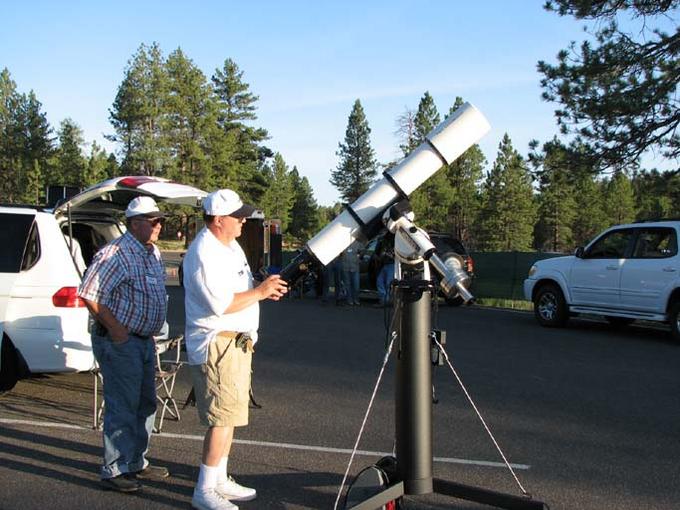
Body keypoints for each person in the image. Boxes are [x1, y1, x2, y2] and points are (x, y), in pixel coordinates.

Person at [183, 189, 287, 510]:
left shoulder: (229, 245)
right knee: (221, 419)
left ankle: (219, 479)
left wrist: (260, 293)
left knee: (231, 416)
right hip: (218, 343)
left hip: (236, 343)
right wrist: (260, 291)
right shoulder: (203, 253)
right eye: (237, 215)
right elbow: (221, 304)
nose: (243, 220)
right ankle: (204, 490)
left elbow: (242, 288)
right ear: (217, 220)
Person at [78, 196, 169, 493]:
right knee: (123, 405)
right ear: (134, 223)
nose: (159, 226)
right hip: (121, 341)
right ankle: (115, 469)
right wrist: (117, 330)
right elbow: (90, 294)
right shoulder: (114, 253)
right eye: (153, 220)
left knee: (145, 403)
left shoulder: (152, 253)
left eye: (160, 221)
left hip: (142, 341)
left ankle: (135, 462)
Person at [375, 233, 395, 307]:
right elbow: (378, 253)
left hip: (392, 264)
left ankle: (389, 301)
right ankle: (384, 300)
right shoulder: (383, 243)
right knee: (379, 281)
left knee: (388, 283)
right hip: (384, 264)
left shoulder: (394, 243)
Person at [341, 241, 361, 305]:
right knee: (348, 285)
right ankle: (349, 300)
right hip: (345, 268)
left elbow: (362, 251)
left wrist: (359, 258)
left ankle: (356, 299)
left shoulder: (357, 243)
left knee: (356, 285)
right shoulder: (342, 243)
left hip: (355, 268)